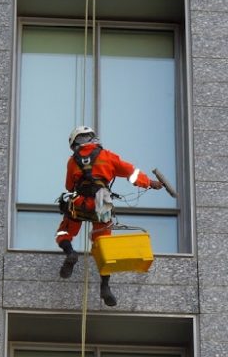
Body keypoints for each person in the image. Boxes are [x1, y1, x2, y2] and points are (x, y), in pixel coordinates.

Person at [55, 126, 163, 307]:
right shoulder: (107, 156)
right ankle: (105, 286)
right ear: (93, 138)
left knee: (63, 232)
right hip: (101, 200)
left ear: (74, 143)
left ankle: (71, 253)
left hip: (80, 200)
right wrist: (150, 183)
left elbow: (69, 186)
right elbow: (131, 174)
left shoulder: (72, 161)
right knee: (103, 243)